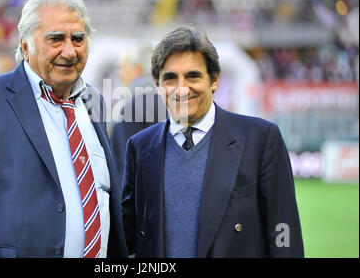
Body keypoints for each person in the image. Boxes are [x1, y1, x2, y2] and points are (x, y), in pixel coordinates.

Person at [0, 0, 128, 258]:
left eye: (78, 38)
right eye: (56, 39)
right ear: (25, 45)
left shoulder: (94, 101)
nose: (69, 51)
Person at [121, 26, 304, 258]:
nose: (181, 89)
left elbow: (283, 231)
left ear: (214, 79)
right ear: (157, 84)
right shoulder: (140, 147)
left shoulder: (261, 139)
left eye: (192, 76)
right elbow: (128, 237)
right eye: (170, 78)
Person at [110, 44, 168, 174]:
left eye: (122, 68)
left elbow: (126, 160)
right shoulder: (167, 100)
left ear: (137, 70)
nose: (119, 74)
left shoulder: (130, 103)